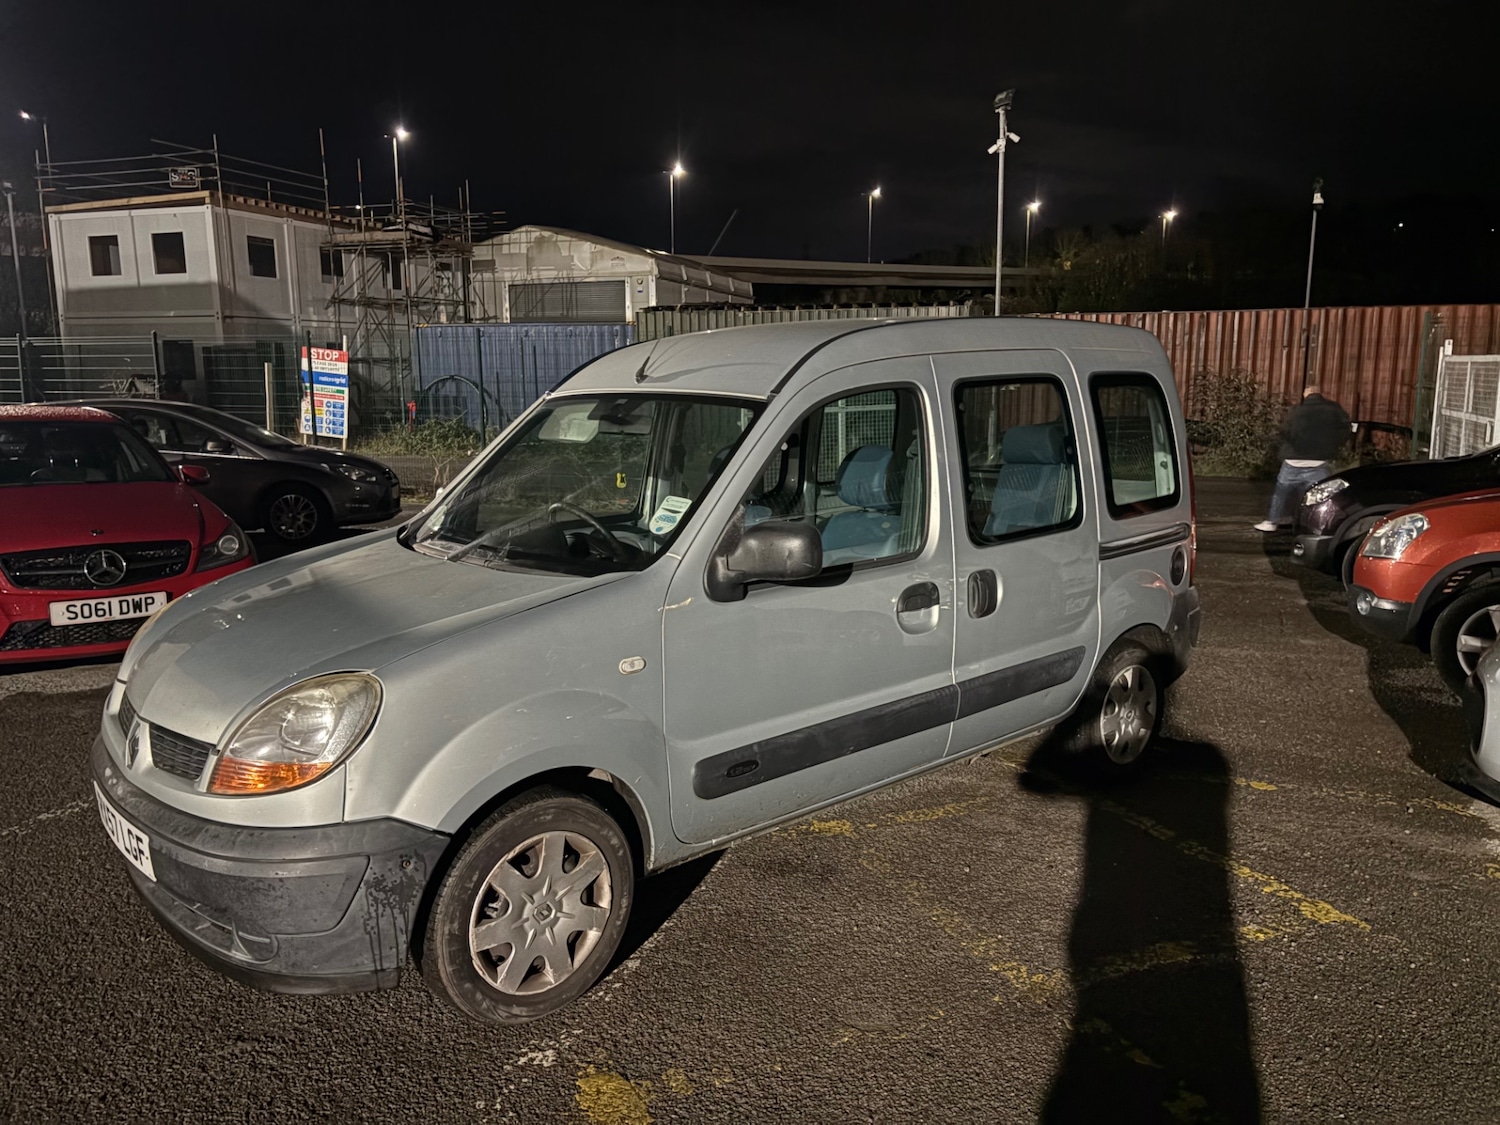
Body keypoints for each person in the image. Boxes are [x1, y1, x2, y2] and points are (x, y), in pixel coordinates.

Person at [1254, 385, 1352, 532]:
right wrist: (1334, 446)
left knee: (1282, 493)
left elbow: (1285, 431)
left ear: (1305, 395)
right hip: (1320, 460)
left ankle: (1272, 522)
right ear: (1320, 394)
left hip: (1294, 460)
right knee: (1320, 495)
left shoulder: (1296, 411)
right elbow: (1345, 430)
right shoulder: (1334, 410)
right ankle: (1319, 523)